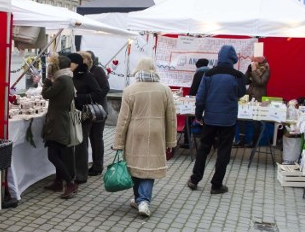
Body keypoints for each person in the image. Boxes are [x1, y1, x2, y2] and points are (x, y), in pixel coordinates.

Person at [113, 58, 177, 216]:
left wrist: (118, 142)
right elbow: (171, 117)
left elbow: (123, 119)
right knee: (150, 168)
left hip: (135, 133)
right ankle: (143, 201)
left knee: (135, 166)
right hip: (157, 132)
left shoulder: (130, 90)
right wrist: (171, 140)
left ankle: (139, 199)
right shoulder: (165, 90)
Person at [187, 45, 246, 194]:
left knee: (204, 148)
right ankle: (216, 185)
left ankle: (195, 179)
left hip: (210, 118)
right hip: (228, 119)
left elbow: (200, 96)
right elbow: (240, 93)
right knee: (223, 151)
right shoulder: (238, 76)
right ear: (233, 58)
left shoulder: (209, 74)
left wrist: (198, 114)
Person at [41, 55, 77, 198]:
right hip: (61, 120)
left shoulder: (61, 80)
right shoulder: (68, 78)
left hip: (56, 122)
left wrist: (47, 80)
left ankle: (69, 183)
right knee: (59, 154)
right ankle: (58, 181)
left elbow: (46, 94)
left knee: (53, 155)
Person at [69, 52, 103, 184]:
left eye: (70, 62)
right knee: (74, 143)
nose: (68, 65)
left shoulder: (88, 75)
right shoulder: (70, 75)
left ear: (76, 63)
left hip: (84, 114)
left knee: (81, 145)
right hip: (72, 113)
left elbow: (98, 93)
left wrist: (79, 98)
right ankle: (72, 172)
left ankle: (81, 175)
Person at [83, 51, 109, 176]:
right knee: (90, 137)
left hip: (98, 110)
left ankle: (98, 166)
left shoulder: (97, 70)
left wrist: (94, 98)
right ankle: (91, 163)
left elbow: (105, 88)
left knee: (96, 138)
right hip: (88, 110)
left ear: (89, 59)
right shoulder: (84, 71)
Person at [235, 56, 271, 148]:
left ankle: (254, 142)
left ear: (260, 60)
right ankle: (241, 140)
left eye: (254, 60)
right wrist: (249, 70)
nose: (252, 61)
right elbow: (246, 81)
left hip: (259, 97)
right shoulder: (253, 67)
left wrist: (254, 71)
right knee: (242, 116)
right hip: (248, 95)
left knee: (256, 120)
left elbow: (260, 82)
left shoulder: (266, 68)